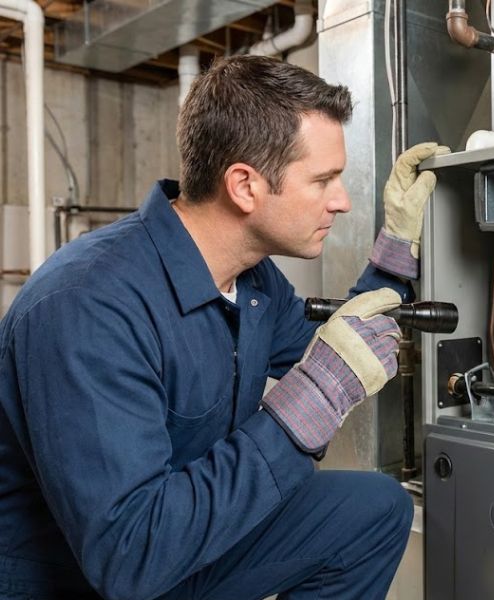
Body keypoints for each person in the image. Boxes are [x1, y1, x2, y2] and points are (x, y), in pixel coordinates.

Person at [0, 55, 448, 600]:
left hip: (186, 532)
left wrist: (395, 253)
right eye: (323, 180)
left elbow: (337, 350)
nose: (342, 201)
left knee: (374, 509)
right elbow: (128, 557)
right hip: (94, 574)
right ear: (244, 186)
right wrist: (306, 408)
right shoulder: (88, 306)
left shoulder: (252, 281)